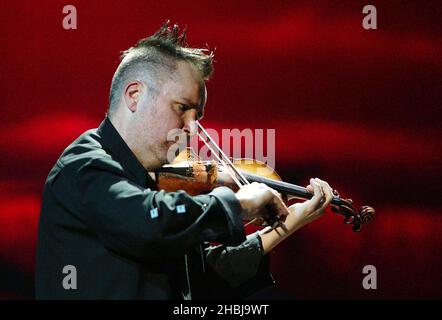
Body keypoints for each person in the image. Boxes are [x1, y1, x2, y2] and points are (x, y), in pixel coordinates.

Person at [35, 22, 334, 299]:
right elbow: (148, 221)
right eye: (182, 108)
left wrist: (287, 225)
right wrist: (240, 204)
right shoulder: (83, 166)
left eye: (197, 117)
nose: (191, 130)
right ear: (135, 95)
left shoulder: (150, 180)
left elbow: (197, 281)